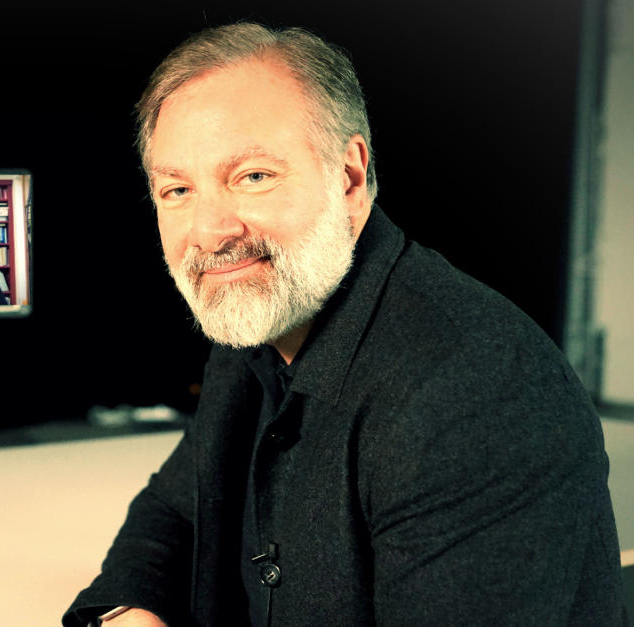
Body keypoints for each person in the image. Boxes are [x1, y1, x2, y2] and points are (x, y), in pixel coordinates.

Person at [63, 22, 627, 626]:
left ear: (349, 178)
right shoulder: (259, 324)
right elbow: (176, 509)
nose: (209, 232)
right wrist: (128, 611)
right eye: (176, 189)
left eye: (253, 176)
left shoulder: (479, 392)